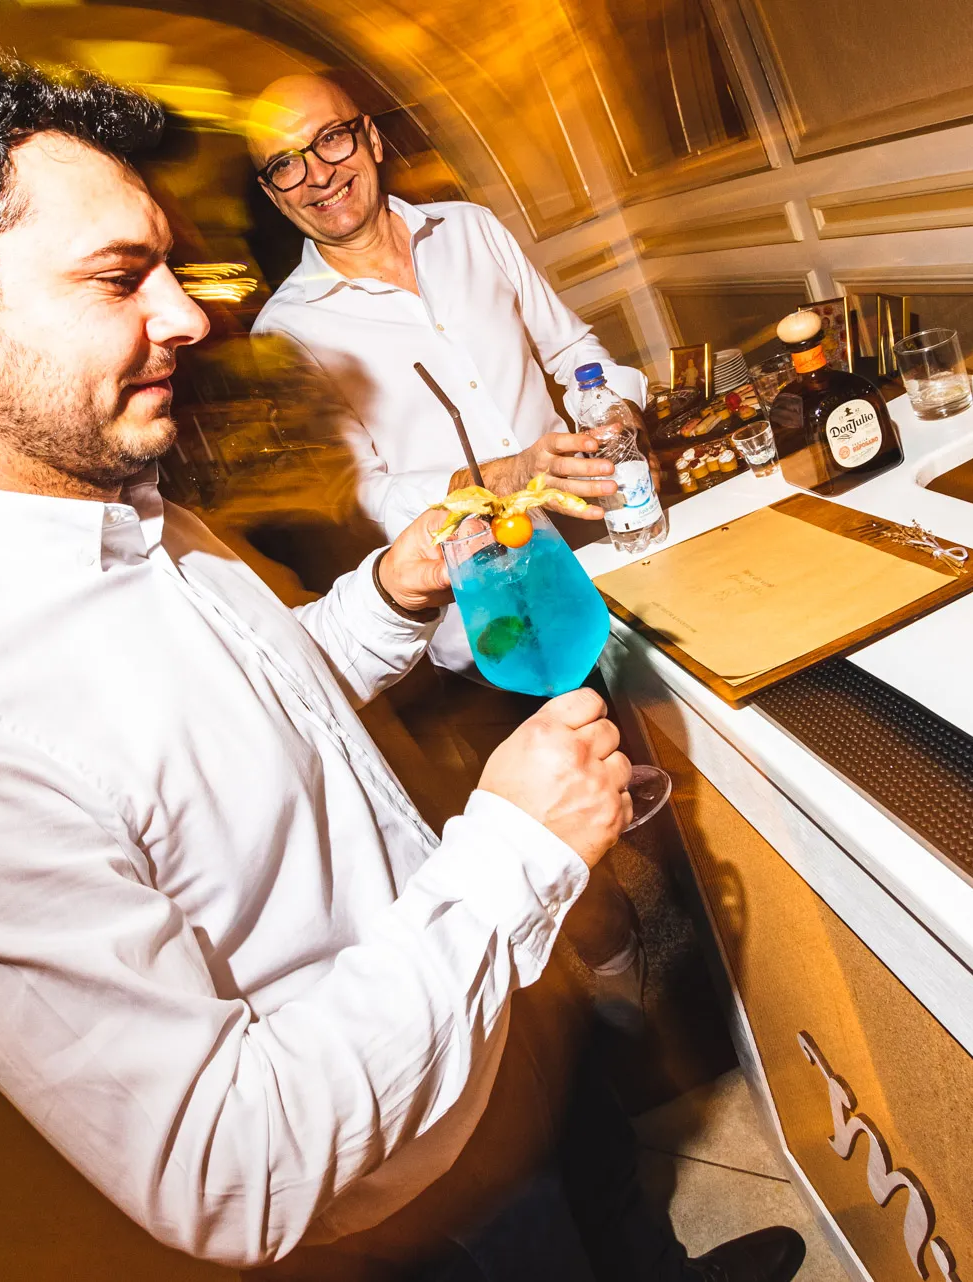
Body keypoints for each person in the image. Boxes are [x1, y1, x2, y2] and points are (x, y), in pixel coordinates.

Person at [0, 55, 802, 1282]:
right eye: (121, 278)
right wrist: (513, 849)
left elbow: (278, 687)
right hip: (419, 1188)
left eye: (168, 267)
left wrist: (392, 588)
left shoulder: (141, 519)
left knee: (620, 1208)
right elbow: (227, 1165)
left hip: (490, 1019)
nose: (188, 318)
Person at [245, 73, 654, 1033]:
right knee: (556, 824)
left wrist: (612, 409)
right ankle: (617, 960)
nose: (317, 174)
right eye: (284, 165)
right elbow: (361, 493)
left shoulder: (471, 231)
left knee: (664, 748)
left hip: (603, 543)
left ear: (370, 137)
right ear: (271, 192)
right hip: (484, 617)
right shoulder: (286, 330)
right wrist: (505, 474)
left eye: (330, 140)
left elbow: (575, 350)